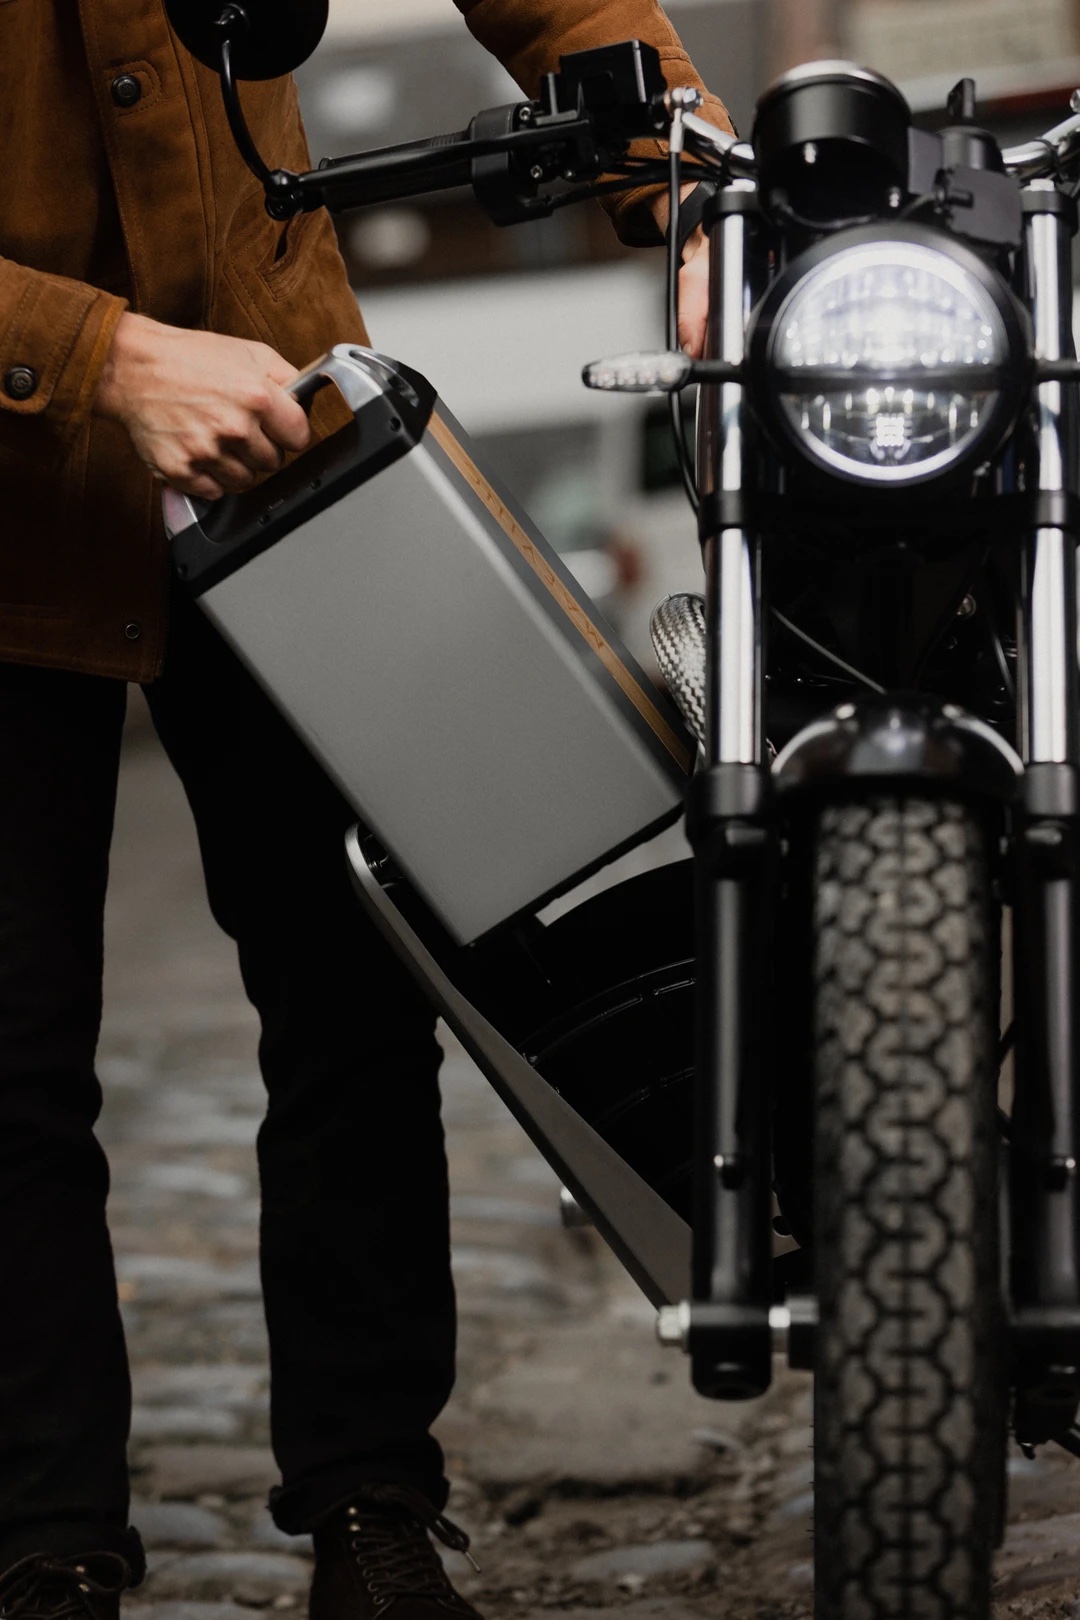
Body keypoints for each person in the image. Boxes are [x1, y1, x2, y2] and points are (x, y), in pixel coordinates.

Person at [0, 5, 731, 1620]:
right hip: (7, 483)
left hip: (280, 440)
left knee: (356, 995)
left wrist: (694, 191)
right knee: (11, 1050)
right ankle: (40, 1547)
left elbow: (566, 6)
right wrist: (97, 352)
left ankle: (373, 1509)